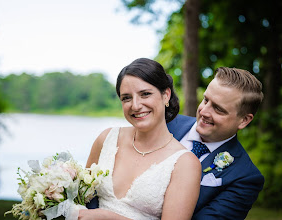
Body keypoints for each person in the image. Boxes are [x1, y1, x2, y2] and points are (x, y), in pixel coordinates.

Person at [80, 58, 201, 219]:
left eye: (145, 94)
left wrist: (107, 217)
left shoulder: (185, 163)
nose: (135, 105)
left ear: (166, 95)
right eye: (126, 98)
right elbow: (80, 197)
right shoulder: (107, 139)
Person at [167, 67, 264, 220]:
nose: (204, 111)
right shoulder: (165, 124)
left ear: (244, 120)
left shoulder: (245, 178)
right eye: (206, 100)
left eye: (218, 109)